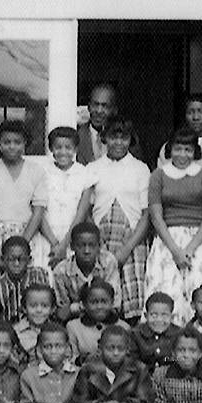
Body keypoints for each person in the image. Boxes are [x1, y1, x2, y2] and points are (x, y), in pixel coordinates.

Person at [145, 127, 202, 323]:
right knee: (166, 292)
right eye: (178, 149)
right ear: (170, 149)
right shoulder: (158, 175)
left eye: (188, 150)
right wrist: (175, 250)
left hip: (199, 241)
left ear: (195, 151)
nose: (183, 155)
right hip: (168, 241)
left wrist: (190, 248)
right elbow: (156, 216)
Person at [85, 116, 153, 320]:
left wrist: (126, 249)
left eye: (123, 138)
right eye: (113, 137)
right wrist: (98, 244)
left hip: (131, 240)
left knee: (131, 296)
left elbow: (146, 214)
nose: (118, 143)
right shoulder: (93, 168)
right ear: (105, 138)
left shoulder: (140, 169)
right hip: (101, 239)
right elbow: (86, 209)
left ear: (130, 140)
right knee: (102, 292)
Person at [0, 119, 50, 271]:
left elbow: (38, 212)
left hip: (26, 235)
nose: (12, 146)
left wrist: (21, 247)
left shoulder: (36, 171)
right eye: (6, 142)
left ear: (25, 143)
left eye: (17, 142)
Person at [75, 327, 148, 403]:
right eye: (110, 348)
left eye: (120, 348)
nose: (115, 353)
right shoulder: (88, 369)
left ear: (127, 349)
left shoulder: (138, 369)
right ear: (100, 347)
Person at [39, 127, 97, 267]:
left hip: (72, 238)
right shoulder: (42, 172)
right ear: (51, 148)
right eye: (58, 147)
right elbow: (38, 211)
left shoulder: (84, 174)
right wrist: (54, 243)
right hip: (46, 237)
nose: (63, 152)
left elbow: (82, 213)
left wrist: (65, 244)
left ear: (75, 149)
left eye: (68, 147)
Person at [51, 221, 116, 323]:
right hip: (75, 323)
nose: (86, 251)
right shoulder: (61, 271)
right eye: (81, 245)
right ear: (72, 246)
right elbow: (62, 312)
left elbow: (115, 304)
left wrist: (78, 307)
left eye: (92, 245)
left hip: (106, 320)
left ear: (99, 246)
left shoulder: (108, 262)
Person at [128, 292, 182, 371]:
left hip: (171, 378)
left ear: (172, 317)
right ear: (146, 316)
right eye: (154, 315)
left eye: (164, 315)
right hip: (143, 377)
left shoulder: (179, 334)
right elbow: (132, 360)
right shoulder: (135, 334)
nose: (159, 320)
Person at [74, 82, 118, 163]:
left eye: (105, 106)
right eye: (95, 104)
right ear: (89, 106)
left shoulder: (123, 138)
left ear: (114, 110)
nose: (99, 111)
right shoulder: (76, 136)